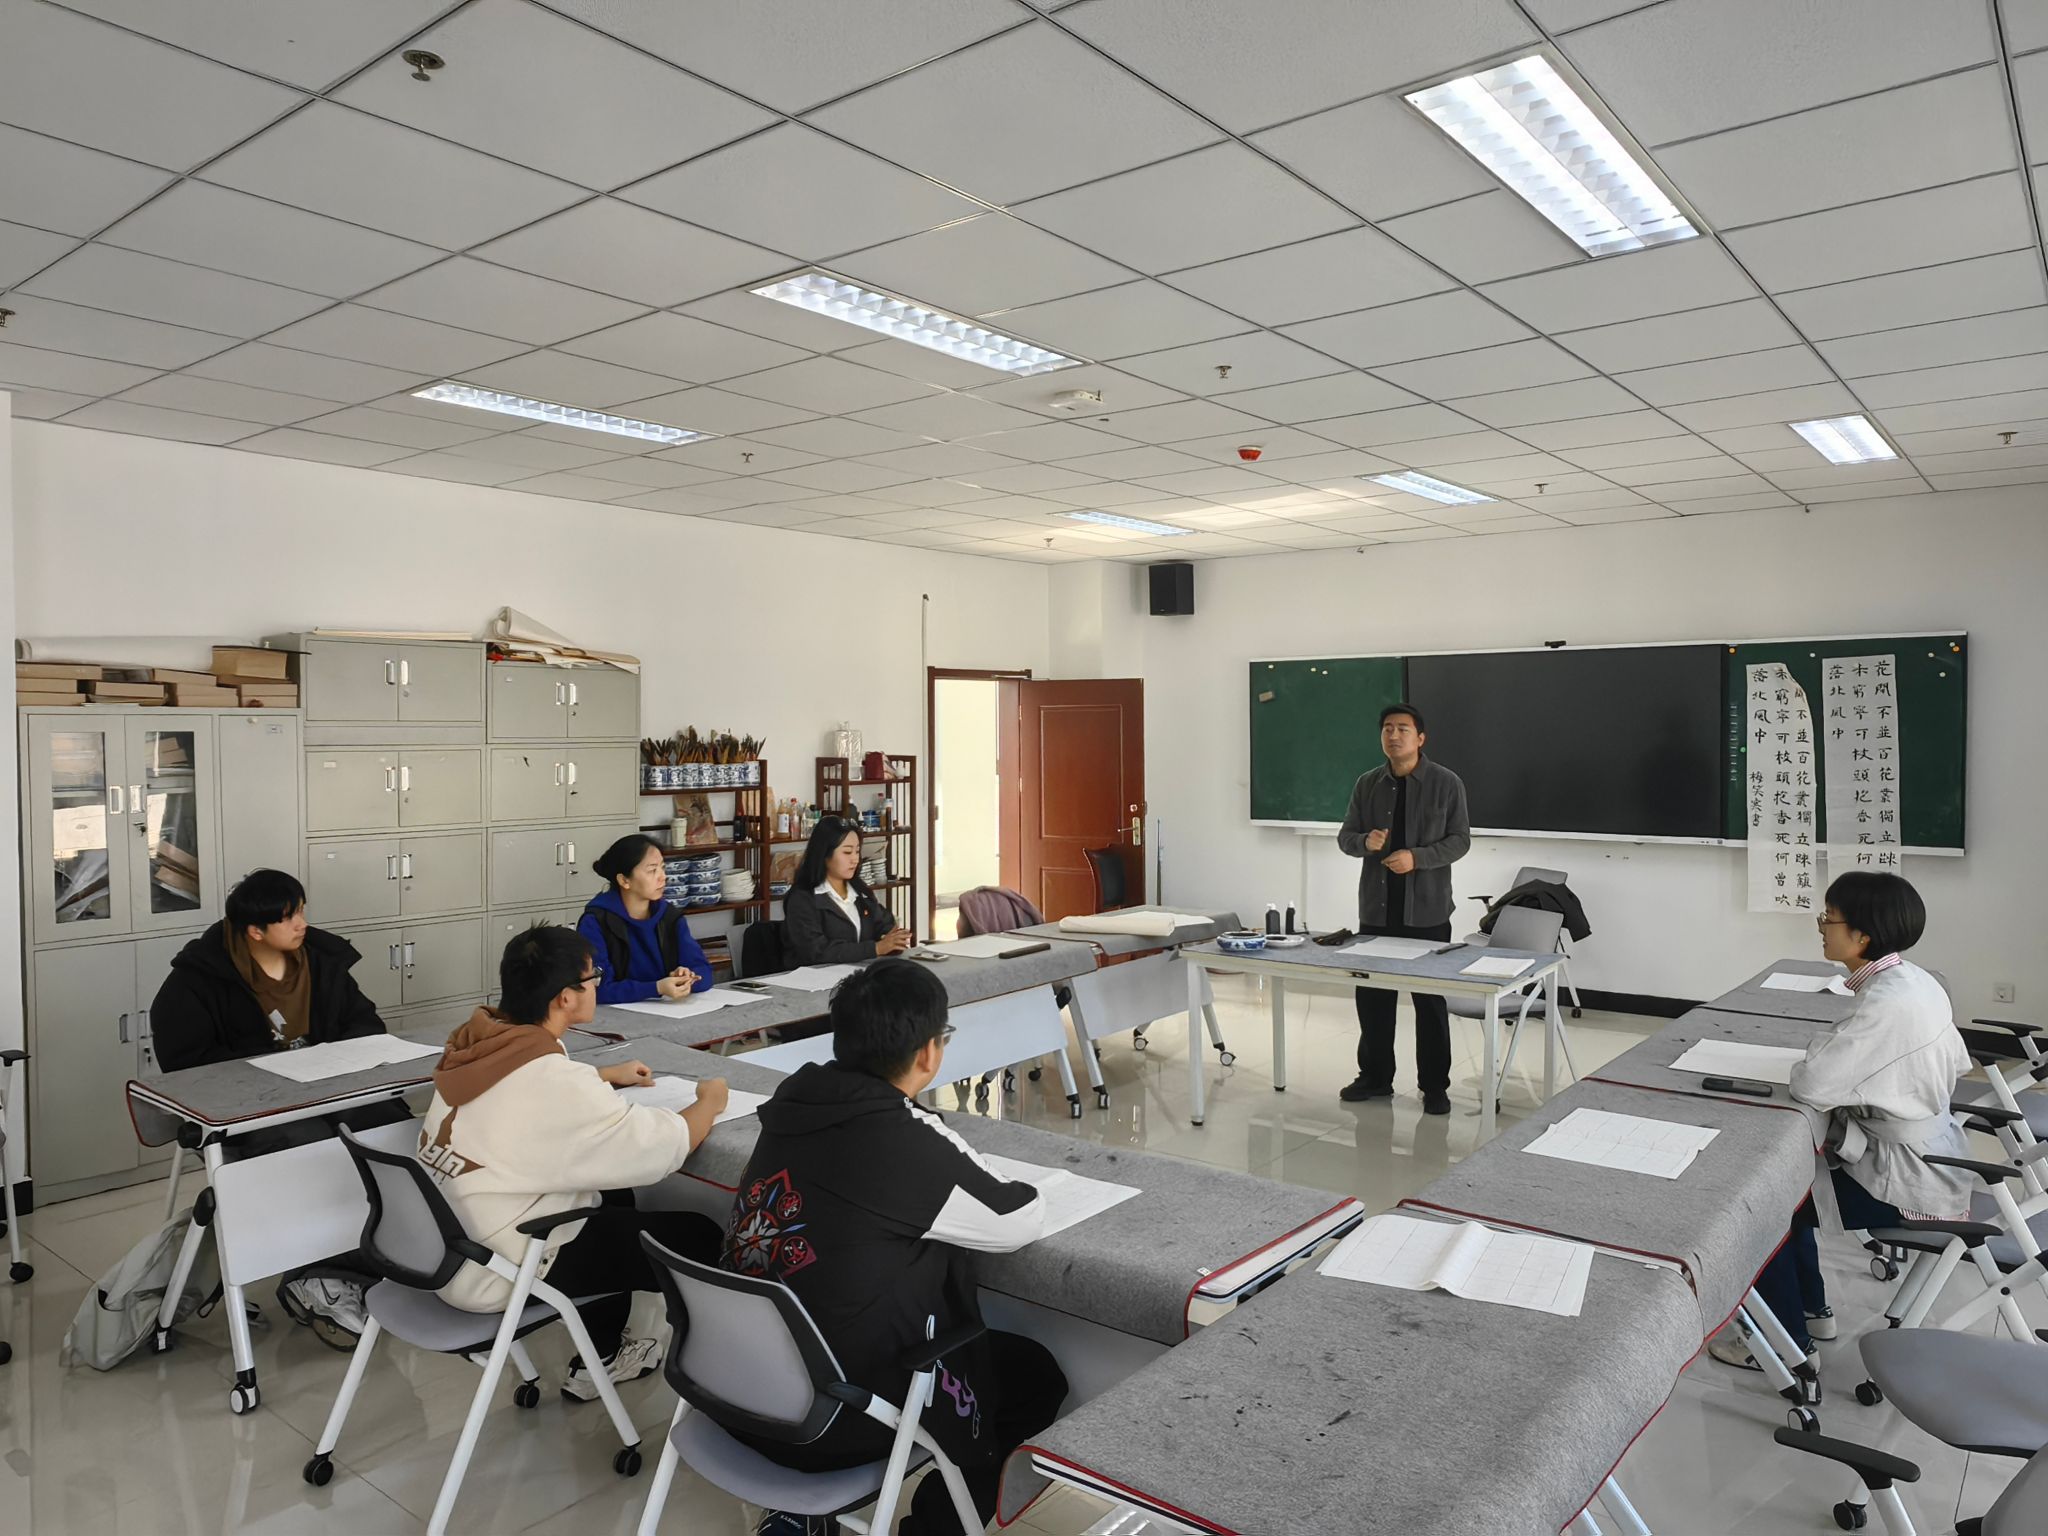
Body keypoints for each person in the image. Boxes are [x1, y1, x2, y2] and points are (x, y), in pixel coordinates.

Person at [723, 960, 1068, 1536]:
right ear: (930, 1052)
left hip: (734, 1392)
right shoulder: (897, 1135)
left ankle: (800, 1514)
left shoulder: (797, 1097)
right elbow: (1015, 1220)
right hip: (827, 1419)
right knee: (1033, 1376)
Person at [419, 924, 728, 1401]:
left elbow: (527, 1091)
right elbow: (660, 1146)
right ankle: (721, 1383)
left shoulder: (477, 1045)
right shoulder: (553, 1081)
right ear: (566, 997)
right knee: (699, 1236)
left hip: (445, 1248)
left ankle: (603, 1353)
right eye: (592, 976)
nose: (597, 982)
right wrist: (709, 1101)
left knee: (612, 1195)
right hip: (498, 1266)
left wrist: (599, 1076)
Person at [1709, 871, 1971, 1380]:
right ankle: (1811, 1313)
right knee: (1788, 1185)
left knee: (1759, 1206)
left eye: (1828, 919)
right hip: (1931, 1153)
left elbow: (1812, 1083)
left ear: (1862, 936)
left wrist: (1833, 1063)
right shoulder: (1913, 980)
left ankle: (1783, 1346)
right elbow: (1955, 1064)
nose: (1821, 928)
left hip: (1908, 1180)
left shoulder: (1887, 1005)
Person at [150, 867, 400, 1348]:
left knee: (387, 1128)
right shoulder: (197, 982)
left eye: (301, 911)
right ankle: (319, 1276)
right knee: (311, 1151)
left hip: (327, 1094)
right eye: (288, 917)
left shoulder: (322, 962)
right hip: (254, 1114)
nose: (302, 923)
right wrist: (275, 1071)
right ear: (255, 931)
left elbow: (366, 1024)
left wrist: (332, 1060)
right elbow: (189, 1068)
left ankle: (373, 1261)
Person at [1335, 704, 1472, 1114]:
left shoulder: (1446, 783)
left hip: (1427, 912)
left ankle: (1434, 1087)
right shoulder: (1367, 784)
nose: (1394, 736)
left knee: (1429, 1003)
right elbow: (1346, 837)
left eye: (1403, 729)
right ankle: (1375, 1078)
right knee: (1373, 998)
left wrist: (1418, 858)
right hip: (1377, 912)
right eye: (1388, 729)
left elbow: (1460, 840)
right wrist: (1365, 843)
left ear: (1420, 738)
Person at [577, 833, 713, 1006]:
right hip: (614, 1016)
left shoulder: (670, 917)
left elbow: (705, 972)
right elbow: (597, 989)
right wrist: (656, 988)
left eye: (662, 868)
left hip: (669, 1011)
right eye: (652, 870)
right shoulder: (596, 922)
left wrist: (688, 978)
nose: (663, 877)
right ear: (624, 880)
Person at [782, 816, 912, 966]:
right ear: (824, 854)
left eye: (857, 851)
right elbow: (816, 951)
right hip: (817, 977)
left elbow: (884, 924)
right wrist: (875, 948)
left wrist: (893, 940)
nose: (855, 859)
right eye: (847, 852)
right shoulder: (802, 898)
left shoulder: (860, 891)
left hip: (861, 972)